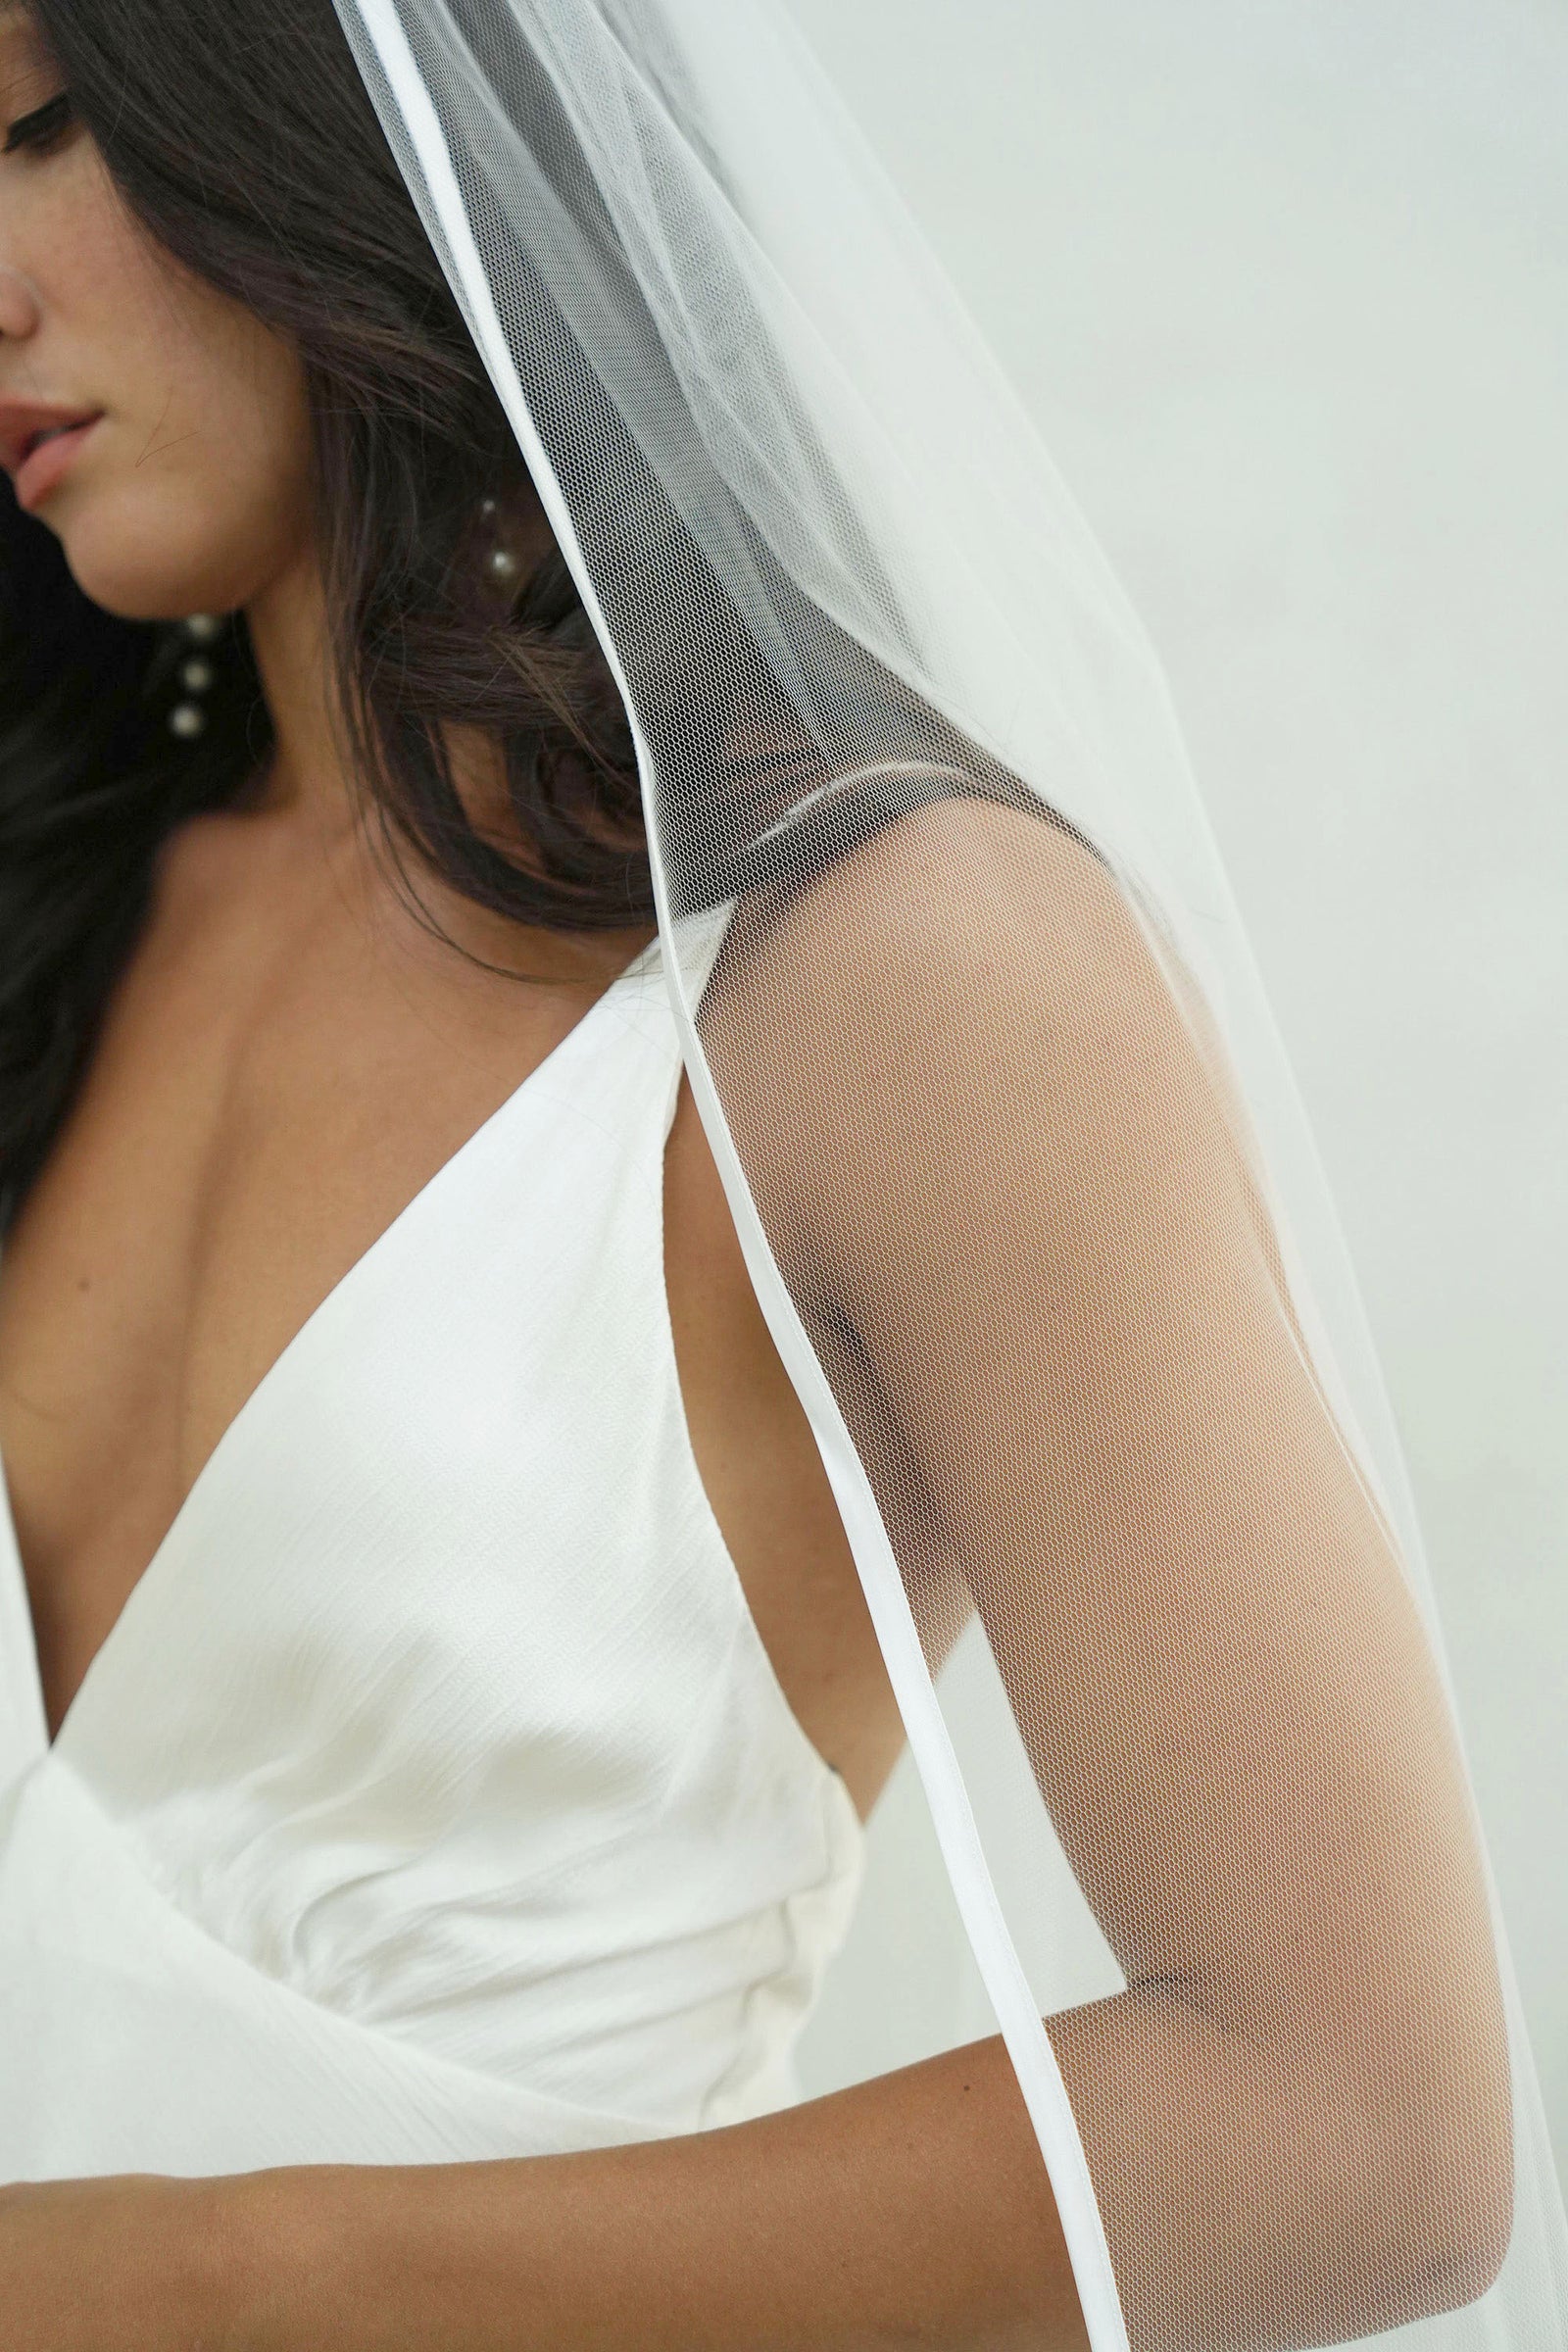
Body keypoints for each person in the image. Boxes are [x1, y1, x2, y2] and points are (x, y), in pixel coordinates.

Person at [0, 3, 1554, 2348]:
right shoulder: (73, 909)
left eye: (36, 127)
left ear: (334, 108)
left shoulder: (888, 979)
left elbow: (1354, 2134)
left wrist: (197, 2284)